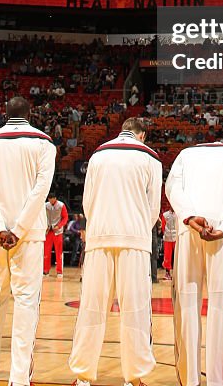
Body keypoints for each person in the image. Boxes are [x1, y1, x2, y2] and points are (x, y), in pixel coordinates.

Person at [69, 117, 161, 386]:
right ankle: (134, 378)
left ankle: (83, 376)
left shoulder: (99, 154)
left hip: (99, 236)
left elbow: (88, 200)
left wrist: (98, 225)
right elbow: (153, 206)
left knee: (91, 308)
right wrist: (139, 231)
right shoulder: (150, 157)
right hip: (134, 238)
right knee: (135, 310)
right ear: (142, 134)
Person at [0, 96, 56, 386]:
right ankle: (18, 378)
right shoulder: (44, 143)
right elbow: (40, 190)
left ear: (4, 114)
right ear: (30, 114)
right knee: (25, 304)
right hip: (28, 236)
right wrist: (19, 228)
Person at [166, 138, 223, 386]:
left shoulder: (185, 154)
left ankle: (190, 379)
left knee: (187, 306)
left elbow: (172, 187)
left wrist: (189, 216)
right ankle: (217, 380)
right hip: (222, 235)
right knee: (219, 307)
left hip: (190, 227)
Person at [44, 191, 68, 278]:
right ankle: (46, 271)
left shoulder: (61, 205)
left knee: (59, 252)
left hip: (58, 232)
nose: (51, 201)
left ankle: (59, 271)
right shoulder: (46, 205)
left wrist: (59, 225)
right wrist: (45, 225)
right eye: (49, 199)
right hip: (48, 231)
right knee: (46, 251)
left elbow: (65, 217)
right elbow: (43, 216)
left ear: (55, 198)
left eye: (52, 199)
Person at [162, 206, 177, 280]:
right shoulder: (165, 215)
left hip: (176, 237)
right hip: (167, 238)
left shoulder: (178, 214)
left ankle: (177, 272)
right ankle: (167, 273)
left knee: (176, 255)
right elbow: (163, 226)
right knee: (167, 256)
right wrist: (165, 233)